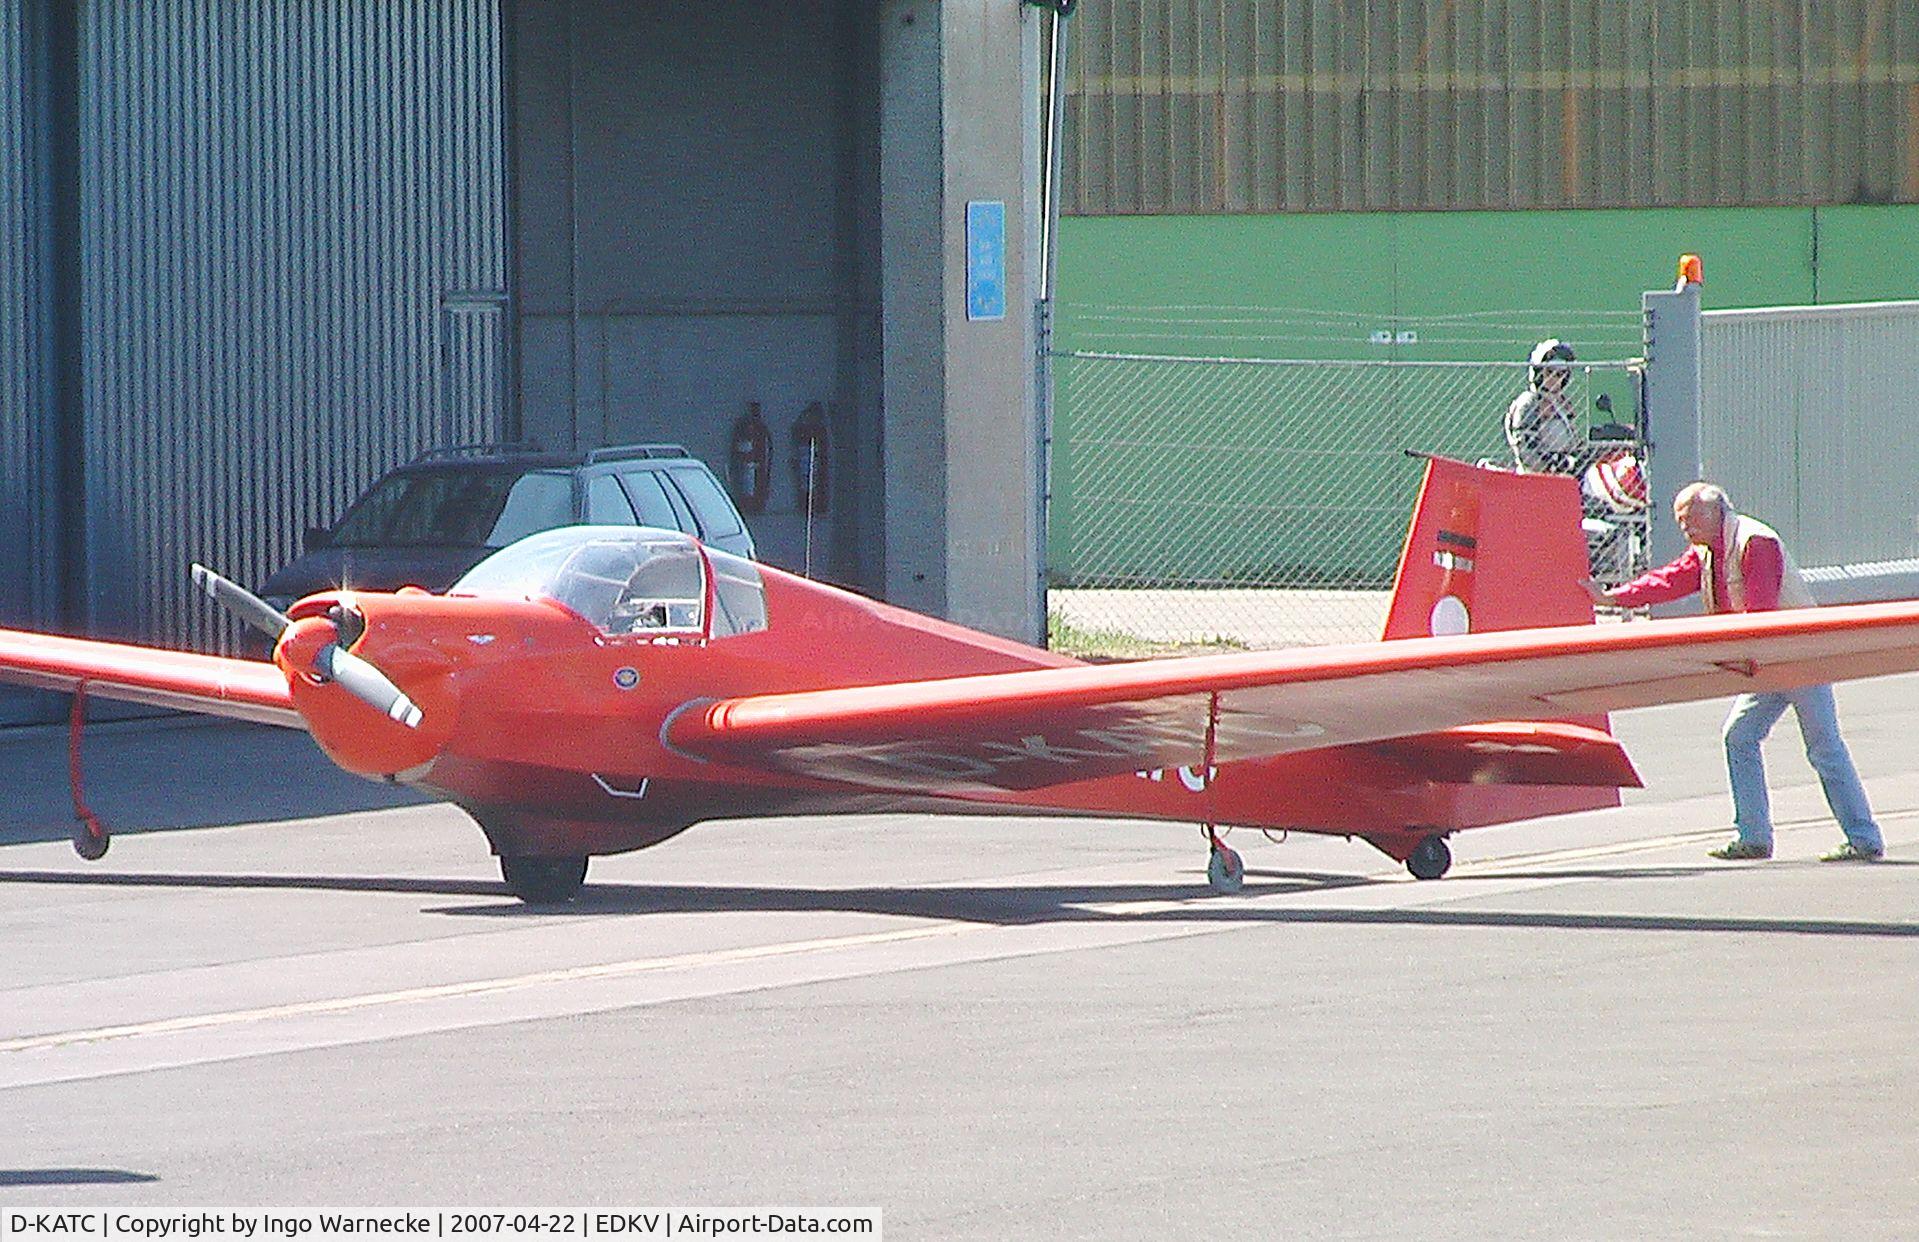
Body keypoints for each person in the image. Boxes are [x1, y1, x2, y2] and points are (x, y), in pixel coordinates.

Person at [1583, 482, 1885, 863]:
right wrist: (1614, 597)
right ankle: (1754, 837)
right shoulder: (1709, 550)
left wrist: (1724, 651)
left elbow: (1758, 612)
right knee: (1739, 736)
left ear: (1715, 512)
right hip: (1765, 662)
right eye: (1680, 521)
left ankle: (1863, 838)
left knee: (1824, 748)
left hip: (1796, 657)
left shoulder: (1755, 542)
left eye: (1689, 519)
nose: (1685, 529)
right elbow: (1671, 579)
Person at [1506, 339, 1582, 474]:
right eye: (1550, 372)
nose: (1555, 378)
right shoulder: (1529, 401)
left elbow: (1575, 444)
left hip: (1565, 476)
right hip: (1538, 479)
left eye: (1560, 374)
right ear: (1539, 373)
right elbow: (1526, 450)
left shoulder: (1562, 404)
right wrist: (1551, 468)